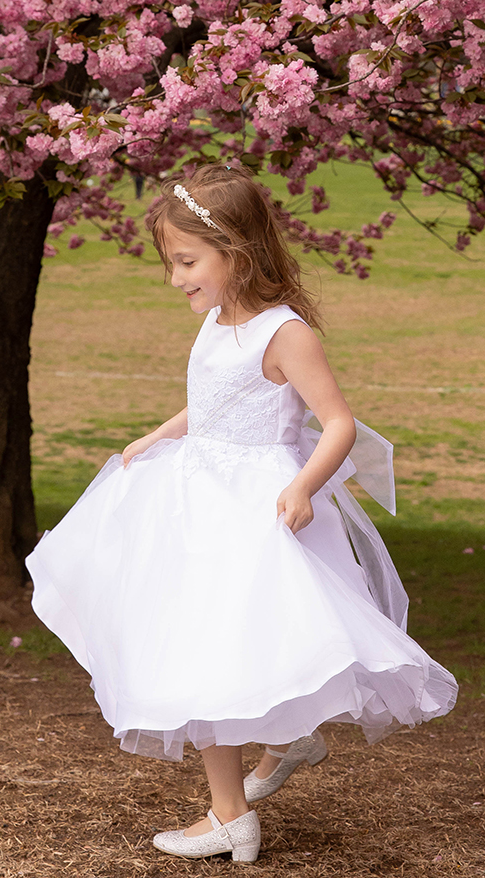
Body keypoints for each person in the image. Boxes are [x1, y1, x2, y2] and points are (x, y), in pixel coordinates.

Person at [26, 163, 458, 864]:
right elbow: (217, 399)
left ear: (237, 251)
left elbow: (338, 424)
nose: (177, 280)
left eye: (188, 262)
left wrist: (304, 487)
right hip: (194, 494)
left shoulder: (284, 334)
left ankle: (233, 811)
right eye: (172, 264)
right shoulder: (217, 321)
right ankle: (272, 759)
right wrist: (160, 434)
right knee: (201, 641)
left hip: (251, 501)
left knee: (217, 645)